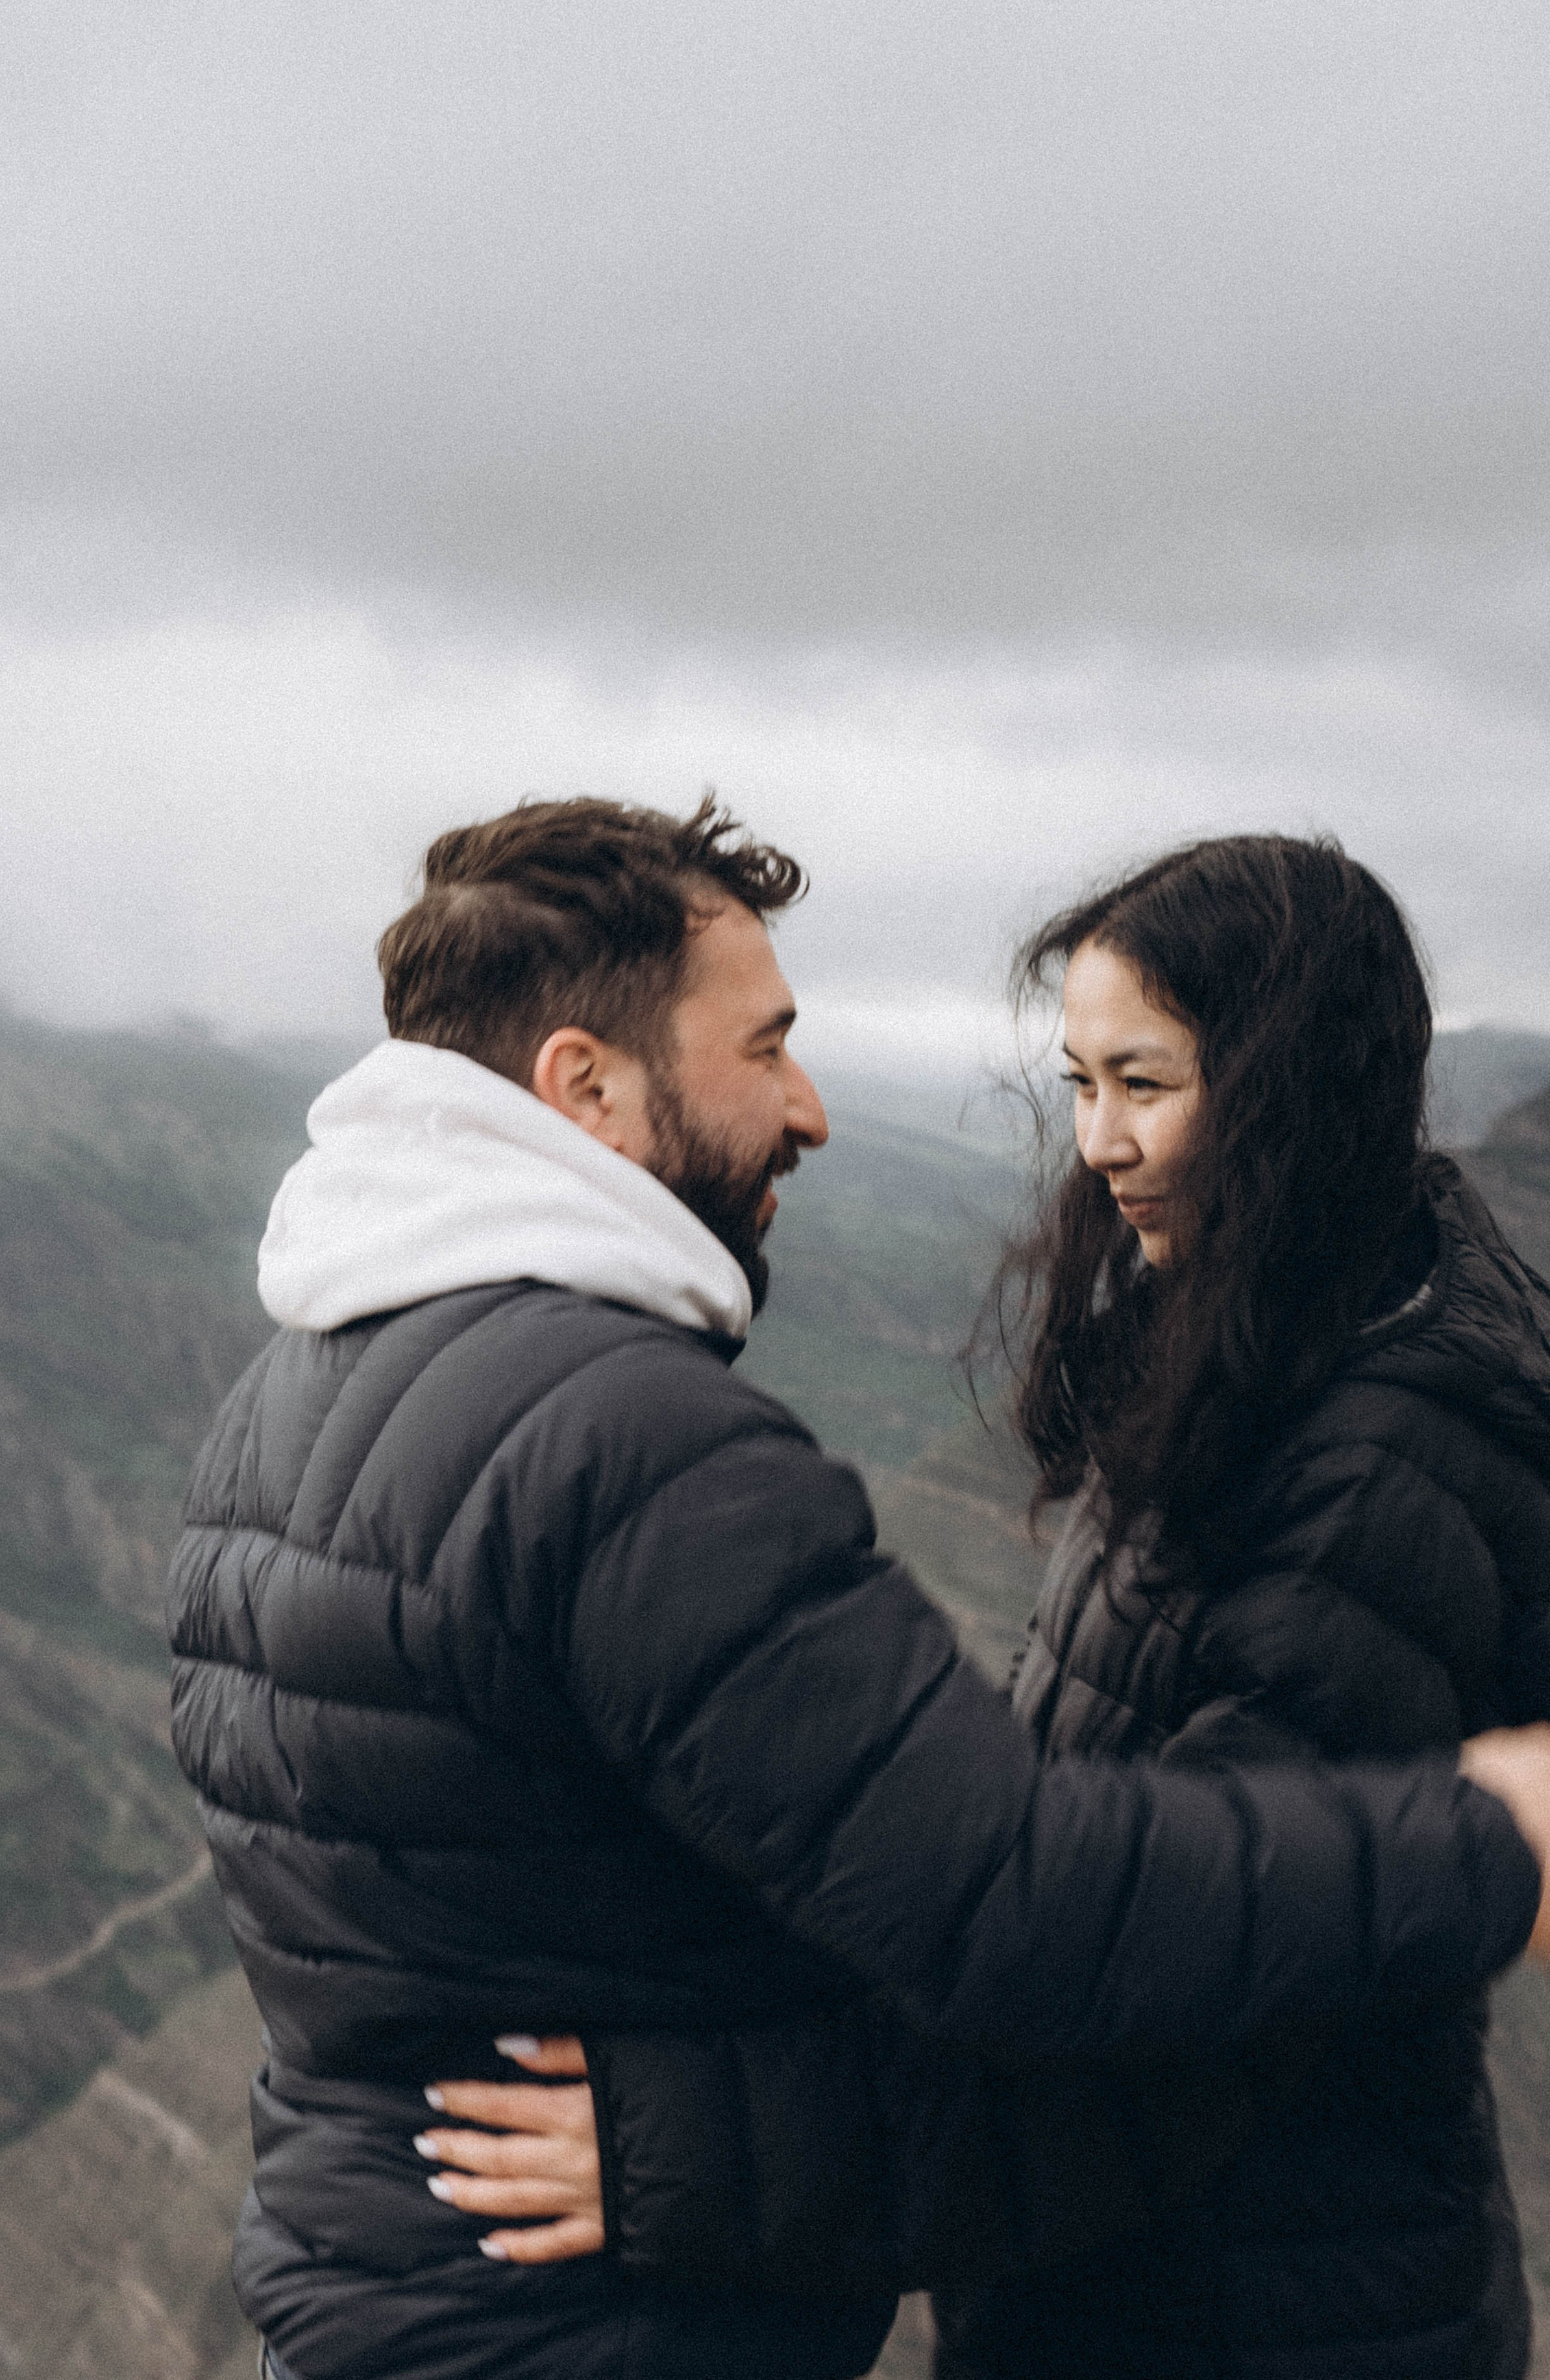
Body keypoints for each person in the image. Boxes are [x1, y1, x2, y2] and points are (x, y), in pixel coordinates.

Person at [167, 801, 1550, 2380]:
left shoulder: (296, 1388)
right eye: (764, 1048)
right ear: (585, 1085)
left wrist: (679, 2150)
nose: (808, 1108)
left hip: (1256, 2314)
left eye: (1140, 1081)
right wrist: (1489, 1843)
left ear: (1287, 1092)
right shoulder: (616, 1438)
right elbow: (1010, 1900)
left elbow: (1115, 1986)